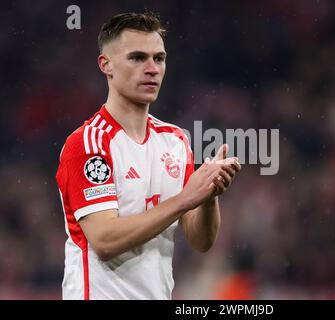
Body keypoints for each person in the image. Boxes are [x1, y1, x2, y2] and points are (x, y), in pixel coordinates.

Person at [55, 12, 241, 300]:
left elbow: (201, 240)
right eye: (137, 58)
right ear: (106, 65)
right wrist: (184, 199)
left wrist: (208, 194)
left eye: (159, 58)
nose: (152, 68)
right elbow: (105, 240)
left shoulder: (175, 141)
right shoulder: (89, 144)